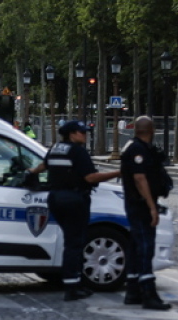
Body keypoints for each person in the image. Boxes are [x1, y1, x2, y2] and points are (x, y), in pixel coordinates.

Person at [28, 120, 119, 300]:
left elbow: (42, 166)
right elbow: (91, 177)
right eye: (81, 132)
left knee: (71, 241)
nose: (85, 135)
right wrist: (119, 173)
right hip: (74, 199)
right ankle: (72, 286)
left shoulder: (55, 148)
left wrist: (30, 173)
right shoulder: (78, 151)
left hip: (55, 198)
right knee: (75, 243)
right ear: (71, 134)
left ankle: (73, 281)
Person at [120, 116, 172, 310]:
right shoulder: (138, 150)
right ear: (152, 130)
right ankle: (148, 293)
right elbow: (140, 178)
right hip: (140, 204)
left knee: (135, 246)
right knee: (145, 247)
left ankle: (133, 291)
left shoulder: (133, 147)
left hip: (136, 203)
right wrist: (152, 206)